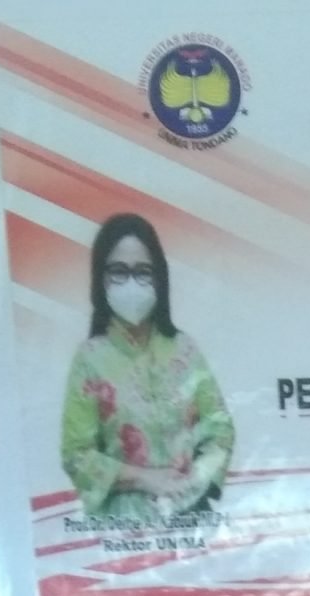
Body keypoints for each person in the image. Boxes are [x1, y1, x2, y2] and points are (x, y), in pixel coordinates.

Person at [58, 211, 235, 524]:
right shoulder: (90, 359)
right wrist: (145, 479)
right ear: (101, 279)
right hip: (122, 528)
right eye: (118, 271)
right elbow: (76, 455)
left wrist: (195, 477)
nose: (131, 283)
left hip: (190, 518)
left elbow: (220, 431)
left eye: (143, 272)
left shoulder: (185, 350)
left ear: (159, 278)